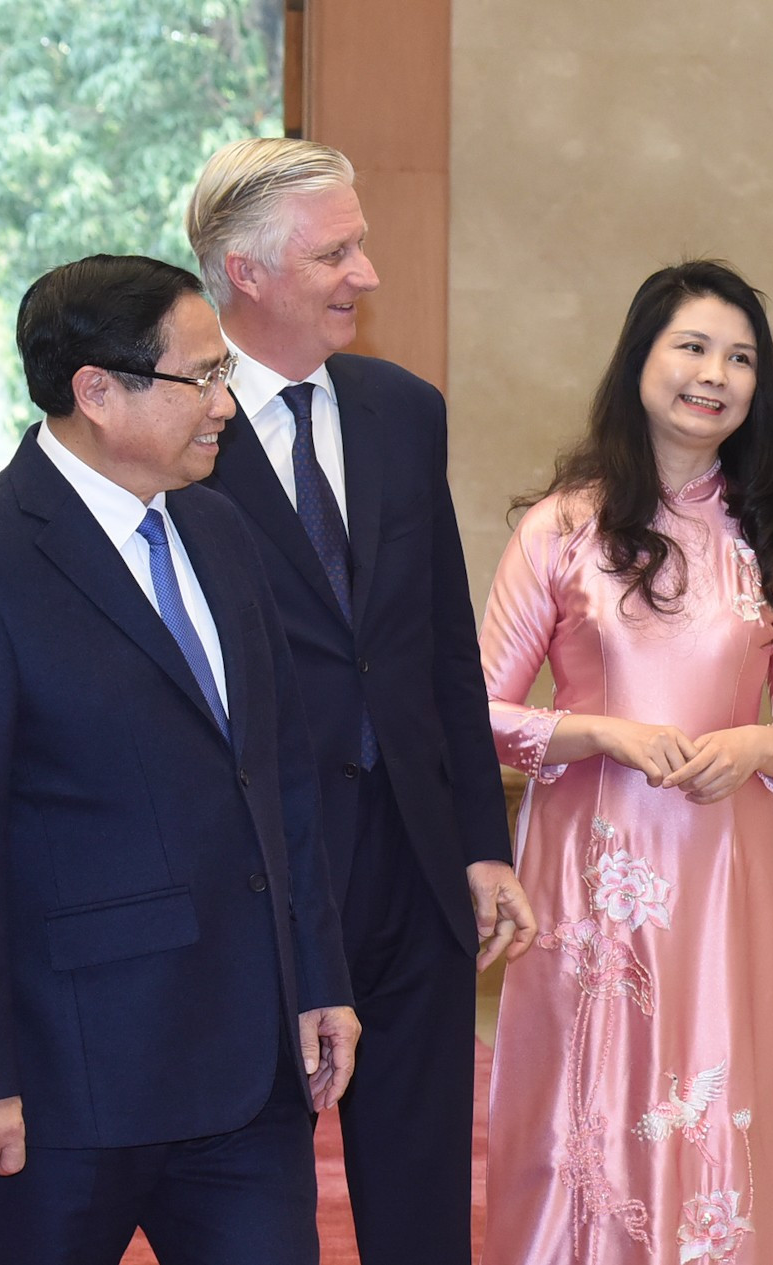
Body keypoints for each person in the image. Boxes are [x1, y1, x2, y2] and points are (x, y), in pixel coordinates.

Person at [0, 255, 358, 1265]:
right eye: (204, 376)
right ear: (97, 390)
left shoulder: (223, 534)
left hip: (246, 1074)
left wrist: (317, 975)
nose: (226, 403)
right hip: (59, 1088)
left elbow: (280, 779)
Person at [185, 136, 536, 1262]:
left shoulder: (401, 408)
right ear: (246, 273)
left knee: (423, 1184)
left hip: (414, 857)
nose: (366, 274)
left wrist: (482, 841)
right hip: (261, 866)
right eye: (336, 252)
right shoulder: (175, 434)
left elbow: (441, 643)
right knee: (254, 1185)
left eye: (362, 245)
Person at [479, 260, 773, 1265]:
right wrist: (600, 731)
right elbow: (475, 711)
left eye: (739, 358)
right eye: (691, 346)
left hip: (724, 870)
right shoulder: (561, 529)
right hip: (591, 868)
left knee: (711, 1087)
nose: (714, 374)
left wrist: (759, 743)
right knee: (582, 1106)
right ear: (640, 357)